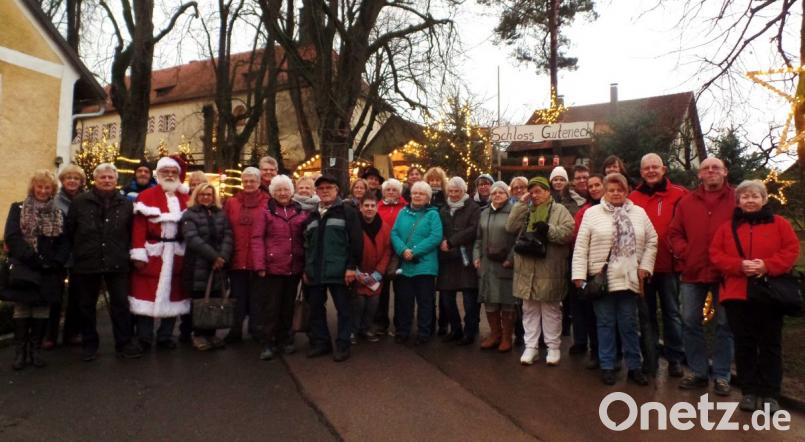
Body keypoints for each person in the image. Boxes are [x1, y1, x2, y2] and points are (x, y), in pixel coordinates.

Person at [710, 180, 799, 413]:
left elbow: (791, 250)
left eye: (755, 196)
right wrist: (739, 265)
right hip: (737, 294)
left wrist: (766, 266)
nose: (750, 200)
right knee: (744, 344)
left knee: (770, 344)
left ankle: (771, 393)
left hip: (769, 294)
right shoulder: (727, 227)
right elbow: (716, 254)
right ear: (738, 201)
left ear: (764, 199)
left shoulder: (780, 224)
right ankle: (749, 391)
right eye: (745, 196)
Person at [572, 173, 657, 386]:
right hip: (603, 279)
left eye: (620, 189)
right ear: (605, 192)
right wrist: (579, 276)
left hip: (629, 278)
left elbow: (652, 240)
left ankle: (634, 367)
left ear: (626, 191)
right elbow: (581, 246)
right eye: (611, 190)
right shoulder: (592, 214)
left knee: (628, 324)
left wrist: (645, 266)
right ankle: (607, 365)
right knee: (605, 323)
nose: (616, 193)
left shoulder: (638, 213)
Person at [668, 157, 735, 396]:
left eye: (716, 167)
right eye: (706, 168)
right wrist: (686, 253)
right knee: (689, 322)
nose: (711, 171)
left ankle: (722, 375)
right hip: (693, 272)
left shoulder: (736, 200)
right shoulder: (687, 202)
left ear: (724, 172)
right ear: (699, 174)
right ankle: (698, 371)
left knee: (724, 325)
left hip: (726, 274)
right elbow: (674, 233)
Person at [67, 164, 142, 361]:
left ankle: (123, 343)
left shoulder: (126, 203)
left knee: (120, 304)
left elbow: (131, 232)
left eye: (110, 177)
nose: (107, 180)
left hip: (117, 261)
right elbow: (69, 231)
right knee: (86, 306)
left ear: (116, 180)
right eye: (103, 177)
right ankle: (89, 344)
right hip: (86, 261)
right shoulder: (80, 202)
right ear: (95, 179)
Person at [628, 153, 687, 377]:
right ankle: (650, 359)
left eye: (655, 167)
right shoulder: (633, 197)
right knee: (646, 315)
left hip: (669, 267)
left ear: (663, 169)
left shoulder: (679, 195)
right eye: (646, 168)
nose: (651, 171)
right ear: (641, 173)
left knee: (672, 313)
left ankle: (675, 359)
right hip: (642, 269)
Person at [4, 170, 70, 370]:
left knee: (42, 309)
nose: (42, 190)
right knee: (22, 309)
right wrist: (33, 258)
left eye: (47, 187)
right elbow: (12, 236)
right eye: (39, 186)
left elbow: (64, 242)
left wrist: (55, 261)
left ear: (53, 190)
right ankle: (20, 353)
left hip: (49, 269)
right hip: (25, 266)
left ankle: (35, 352)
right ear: (33, 187)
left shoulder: (58, 213)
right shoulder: (18, 208)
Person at [506, 176, 575, 366]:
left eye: (538, 191)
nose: (535, 195)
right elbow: (510, 226)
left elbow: (568, 232)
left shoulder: (559, 210)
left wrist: (549, 230)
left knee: (551, 309)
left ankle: (553, 347)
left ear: (548, 191)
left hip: (549, 268)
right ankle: (531, 347)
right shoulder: (527, 210)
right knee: (529, 310)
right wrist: (521, 203)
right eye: (532, 191)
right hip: (527, 269)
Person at [129, 156, 190, 350]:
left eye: (174, 172)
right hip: (153, 253)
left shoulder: (185, 198)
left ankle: (165, 335)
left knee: (174, 294)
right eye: (166, 172)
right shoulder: (146, 196)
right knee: (145, 295)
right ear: (159, 174)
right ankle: (144, 337)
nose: (170, 175)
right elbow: (138, 227)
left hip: (177, 254)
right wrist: (138, 252)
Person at [303, 175, 363, 362]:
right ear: (316, 192)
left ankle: (343, 344)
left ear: (337, 190)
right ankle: (322, 343)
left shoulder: (347, 212)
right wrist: (306, 268)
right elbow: (307, 245)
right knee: (315, 309)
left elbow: (356, 242)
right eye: (321, 188)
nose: (325, 191)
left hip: (340, 271)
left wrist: (351, 267)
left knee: (344, 309)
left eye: (329, 187)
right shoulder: (312, 215)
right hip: (316, 270)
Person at [251, 175, 308, 360]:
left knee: (288, 307)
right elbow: (257, 239)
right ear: (273, 193)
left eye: (286, 190)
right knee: (271, 307)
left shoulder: (299, 211)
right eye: (279, 190)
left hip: (293, 267)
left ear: (291, 191)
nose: (283, 193)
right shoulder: (265, 212)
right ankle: (268, 342)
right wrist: (260, 264)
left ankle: (286, 339)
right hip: (272, 268)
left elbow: (304, 240)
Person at [180, 183, 233, 351]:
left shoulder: (221, 214)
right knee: (199, 301)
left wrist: (223, 257)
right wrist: (214, 257)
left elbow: (228, 236)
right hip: (197, 265)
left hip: (218, 266)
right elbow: (192, 239)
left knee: (215, 300)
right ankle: (198, 335)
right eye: (202, 194)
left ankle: (212, 333)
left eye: (209, 194)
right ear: (196, 195)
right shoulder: (189, 215)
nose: (206, 197)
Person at [390, 181, 443, 344]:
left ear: (428, 197)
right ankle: (403, 331)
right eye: (415, 193)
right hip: (405, 266)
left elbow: (435, 237)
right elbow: (394, 233)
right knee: (404, 301)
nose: (418, 196)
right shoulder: (402, 212)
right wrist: (402, 250)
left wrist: (413, 252)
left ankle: (424, 332)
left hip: (425, 265)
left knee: (425, 302)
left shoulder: (433, 214)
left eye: (422, 194)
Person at [223, 167, 269, 342]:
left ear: (259, 182)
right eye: (246, 181)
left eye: (253, 181)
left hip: (259, 259)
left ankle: (256, 329)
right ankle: (235, 330)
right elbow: (225, 228)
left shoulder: (267, 202)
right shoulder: (232, 202)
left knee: (258, 297)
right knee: (237, 296)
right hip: (237, 257)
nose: (249, 184)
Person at [44, 165, 86, 348]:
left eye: (76, 178)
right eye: (68, 177)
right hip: (58, 255)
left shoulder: (86, 200)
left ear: (81, 182)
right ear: (62, 181)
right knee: (55, 296)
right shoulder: (53, 201)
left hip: (80, 255)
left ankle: (72, 333)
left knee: (77, 297)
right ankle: (49, 335)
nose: (72, 181)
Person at [474, 181, 518, 352]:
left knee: (507, 302)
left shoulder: (513, 212)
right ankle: (495, 334)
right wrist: (476, 256)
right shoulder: (484, 213)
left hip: (505, 264)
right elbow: (478, 238)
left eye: (501, 192)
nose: (497, 195)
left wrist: (511, 258)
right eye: (494, 193)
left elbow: (518, 239)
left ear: (507, 195)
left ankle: (507, 337)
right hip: (487, 265)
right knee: (490, 301)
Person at [438, 177, 481, 345]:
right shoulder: (443, 209)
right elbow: (437, 228)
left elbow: (473, 229)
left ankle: (469, 333)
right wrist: (443, 242)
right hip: (448, 258)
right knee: (447, 299)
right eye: (451, 191)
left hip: (466, 258)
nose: (454, 194)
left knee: (469, 301)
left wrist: (451, 242)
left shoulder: (473, 208)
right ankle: (455, 329)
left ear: (464, 191)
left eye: (457, 191)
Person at [570, 173, 605, 367]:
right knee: (591, 311)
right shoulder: (585, 211)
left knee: (610, 314)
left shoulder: (619, 206)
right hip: (590, 268)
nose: (592, 188)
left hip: (612, 268)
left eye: (596, 185)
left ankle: (612, 354)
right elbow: (578, 240)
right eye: (590, 186)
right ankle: (596, 351)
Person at [352, 193, 392, 343]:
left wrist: (379, 272)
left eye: (372, 206)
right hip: (358, 273)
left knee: (373, 304)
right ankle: (353, 330)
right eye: (366, 206)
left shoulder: (384, 227)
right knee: (358, 304)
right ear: (360, 207)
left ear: (377, 207)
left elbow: (388, 251)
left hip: (375, 275)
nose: (369, 209)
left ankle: (366, 329)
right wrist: (356, 272)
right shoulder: (354, 225)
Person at [179, 169, 210, 343]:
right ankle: (187, 330)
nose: (196, 187)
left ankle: (204, 331)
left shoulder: (214, 206)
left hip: (207, 259)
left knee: (206, 296)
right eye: (193, 185)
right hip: (189, 254)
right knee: (190, 296)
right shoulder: (185, 205)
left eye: (199, 184)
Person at [374, 178, 407, 335]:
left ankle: (401, 324)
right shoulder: (377, 207)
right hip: (382, 253)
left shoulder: (406, 207)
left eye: (394, 190)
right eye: (388, 190)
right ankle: (381, 323)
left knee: (401, 291)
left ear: (399, 192)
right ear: (383, 192)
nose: (391, 192)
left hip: (401, 252)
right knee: (382, 291)